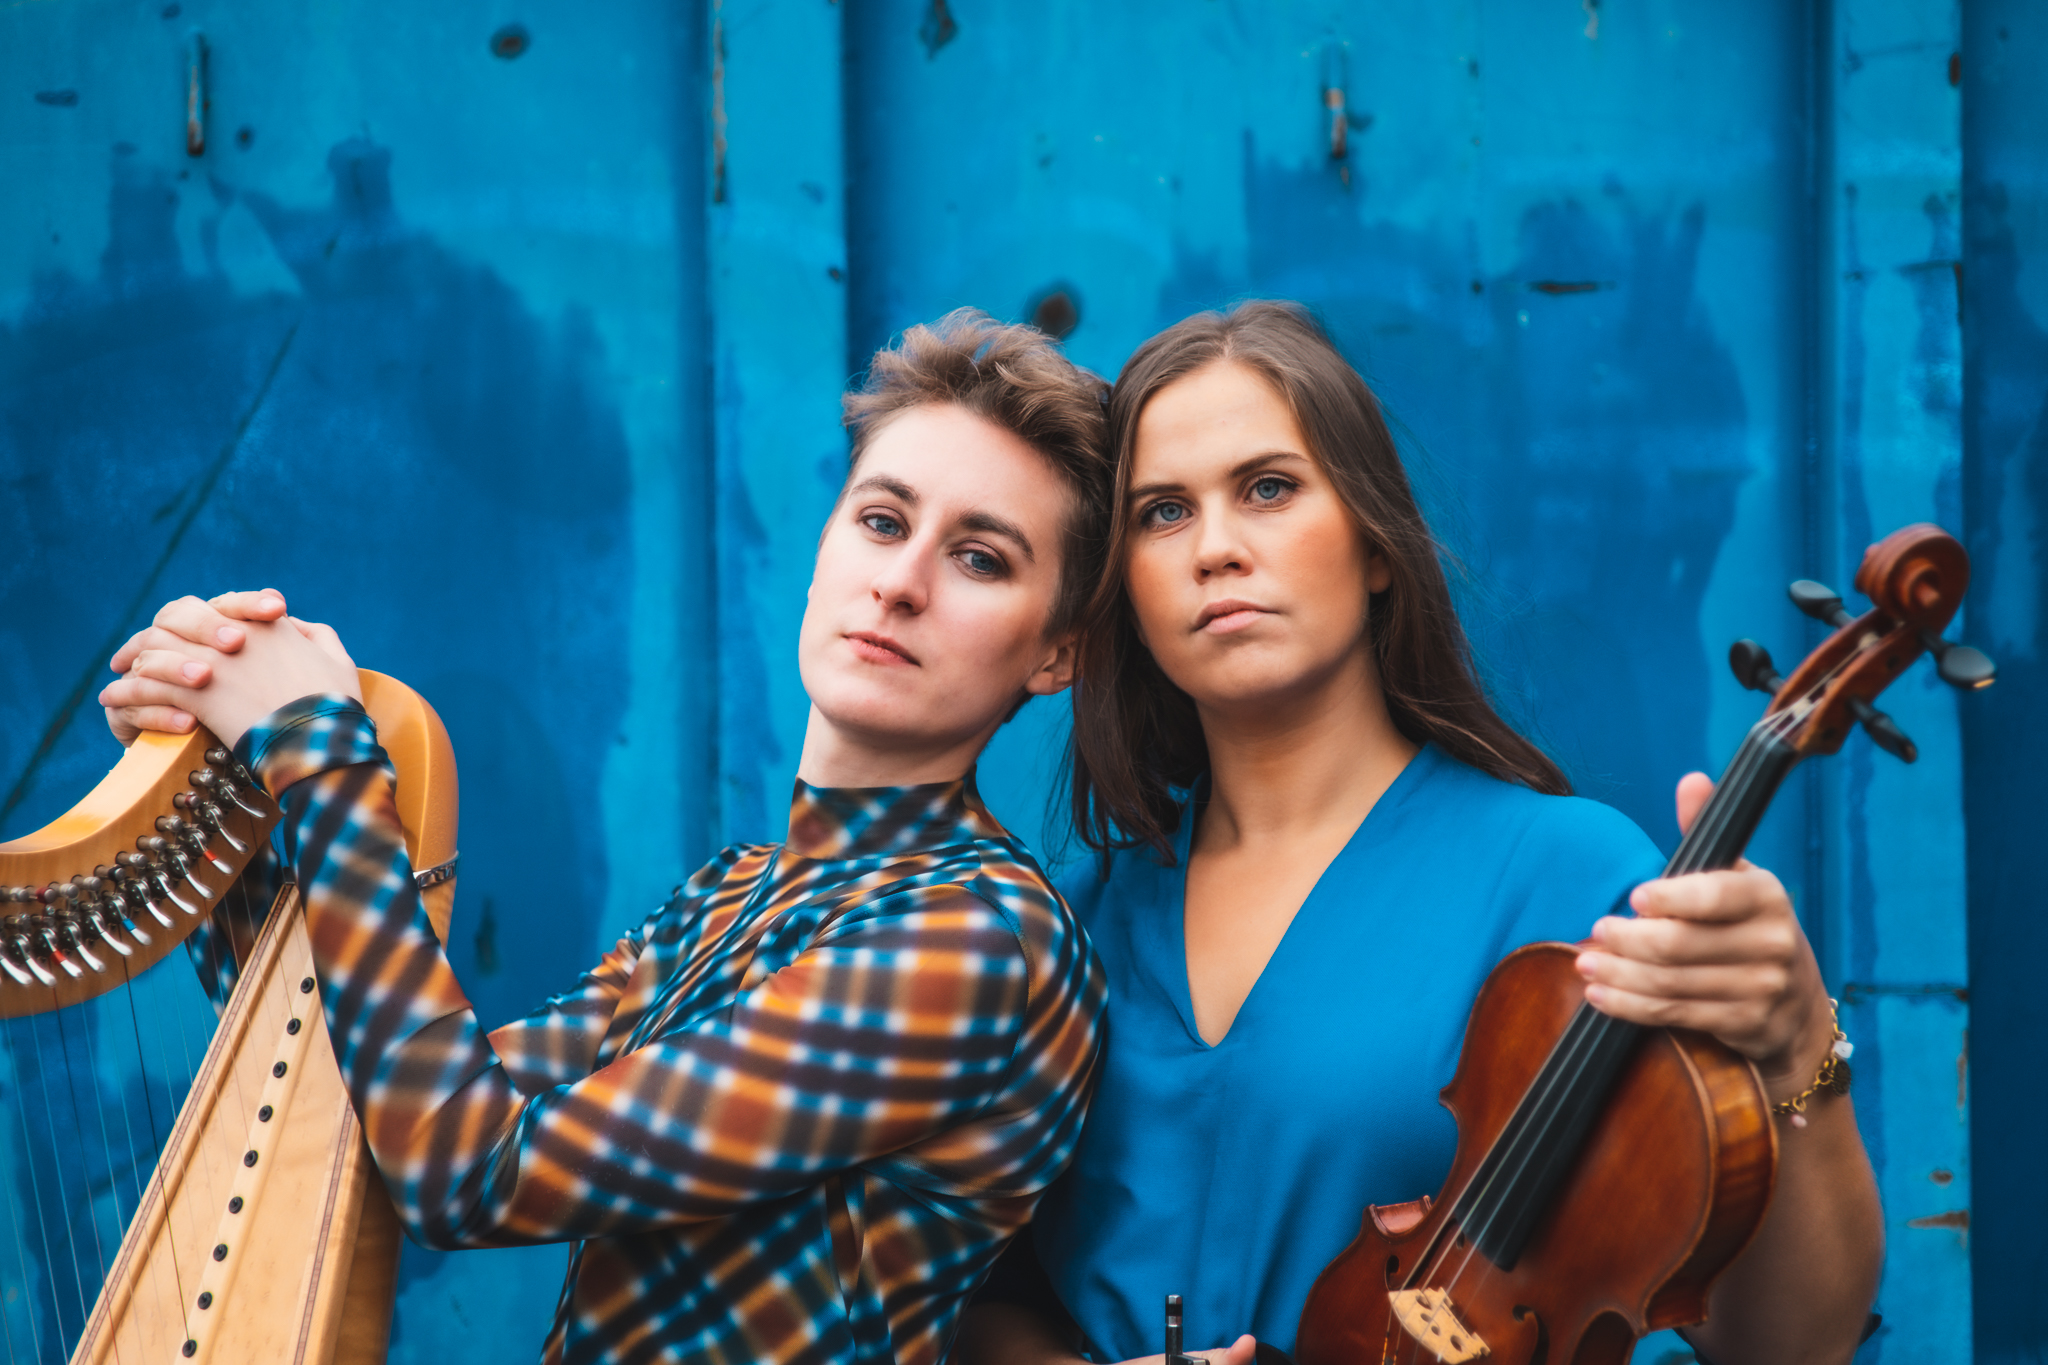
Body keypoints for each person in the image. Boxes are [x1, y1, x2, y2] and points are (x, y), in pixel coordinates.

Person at [98, 310, 1114, 1365]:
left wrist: (319, 755)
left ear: (1056, 654)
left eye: (980, 558)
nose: (901, 582)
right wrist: (227, 821)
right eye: (882, 520)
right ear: (824, 545)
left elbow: (469, 1170)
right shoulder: (735, 890)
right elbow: (392, 1113)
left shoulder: (982, 941)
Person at [954, 302, 1883, 1365]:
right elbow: (982, 1300)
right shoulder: (1069, 921)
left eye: (1268, 488)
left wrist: (1796, 1044)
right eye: (1161, 513)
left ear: (1375, 545)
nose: (1215, 549)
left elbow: (1788, 1347)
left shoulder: (1573, 883)